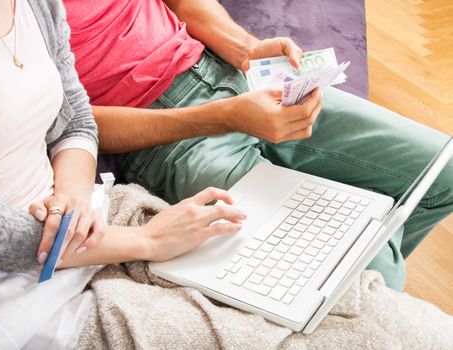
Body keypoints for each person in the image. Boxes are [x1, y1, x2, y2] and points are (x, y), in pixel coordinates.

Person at [62, 0, 453, 291]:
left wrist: (246, 48)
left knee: (444, 171)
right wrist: (225, 116)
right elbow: (71, 123)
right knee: (376, 273)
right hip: (171, 139)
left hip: (228, 74)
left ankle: (342, 264)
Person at [0, 0, 246, 348]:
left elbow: (75, 119)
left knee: (256, 281)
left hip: (84, 222)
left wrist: (74, 203)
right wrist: (148, 240)